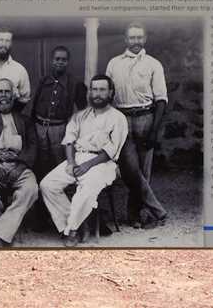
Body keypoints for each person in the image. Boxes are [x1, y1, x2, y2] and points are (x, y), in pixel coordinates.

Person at [39, 75, 128, 246]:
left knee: (87, 188)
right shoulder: (80, 116)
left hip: (103, 163)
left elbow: (111, 150)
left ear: (110, 93)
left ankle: (72, 231)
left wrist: (87, 165)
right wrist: (71, 163)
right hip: (77, 158)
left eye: (102, 90)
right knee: (47, 184)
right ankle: (77, 224)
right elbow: (69, 141)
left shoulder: (118, 118)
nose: (97, 94)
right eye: (94, 89)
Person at [105, 22, 169, 228]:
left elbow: (161, 100)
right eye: (132, 38)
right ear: (125, 40)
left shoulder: (153, 64)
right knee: (130, 170)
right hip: (121, 118)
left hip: (145, 117)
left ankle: (137, 215)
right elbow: (107, 95)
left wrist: (154, 130)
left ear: (145, 39)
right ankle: (158, 210)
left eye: (139, 37)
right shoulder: (113, 63)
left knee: (144, 170)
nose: (136, 41)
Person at [0, 78, 39, 247]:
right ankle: (1, 239)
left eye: (7, 91)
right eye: (0, 92)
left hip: (19, 166)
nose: (3, 96)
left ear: (14, 95)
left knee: (31, 189)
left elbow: (33, 146)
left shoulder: (24, 120)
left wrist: (21, 166)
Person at [25, 45, 87, 180]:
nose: (60, 62)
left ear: (68, 62)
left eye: (63, 60)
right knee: (40, 160)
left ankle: (60, 191)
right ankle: (41, 195)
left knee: (59, 160)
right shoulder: (44, 80)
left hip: (60, 129)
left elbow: (83, 110)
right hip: (39, 127)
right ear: (52, 61)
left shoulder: (74, 83)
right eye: (57, 59)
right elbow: (34, 105)